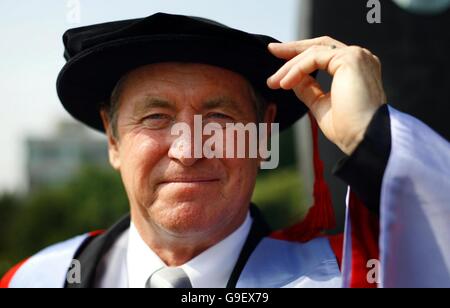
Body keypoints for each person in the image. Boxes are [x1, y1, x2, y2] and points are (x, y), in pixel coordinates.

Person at [1, 12, 449, 288]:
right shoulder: (35, 281)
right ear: (113, 139)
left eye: (219, 120)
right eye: (156, 117)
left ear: (263, 135)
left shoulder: (351, 277)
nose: (189, 150)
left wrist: (373, 136)